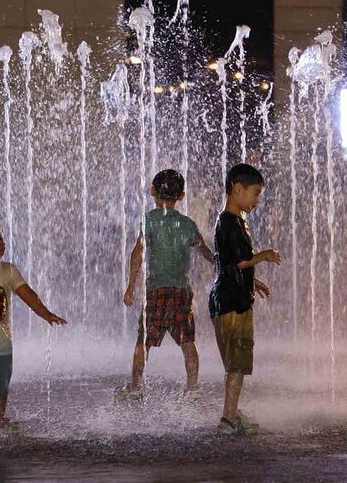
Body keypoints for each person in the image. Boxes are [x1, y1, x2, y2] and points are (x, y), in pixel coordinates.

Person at [0, 219, 67, 427]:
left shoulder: (9, 270)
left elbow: (27, 294)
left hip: (1, 343)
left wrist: (46, 313)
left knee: (0, 387)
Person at [117, 169, 214, 400]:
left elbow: (137, 252)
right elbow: (205, 251)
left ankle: (136, 387)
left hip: (156, 291)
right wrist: (221, 264)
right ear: (181, 196)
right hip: (181, 291)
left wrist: (131, 285)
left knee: (143, 341)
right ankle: (192, 389)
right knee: (188, 341)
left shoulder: (149, 220)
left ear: (153, 191)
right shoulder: (188, 225)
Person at [210, 163, 281, 436]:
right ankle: (228, 418)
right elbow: (239, 262)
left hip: (225, 298)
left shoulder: (229, 221)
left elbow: (229, 263)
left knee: (233, 364)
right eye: (255, 193)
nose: (257, 200)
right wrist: (265, 255)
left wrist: (254, 281)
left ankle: (232, 413)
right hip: (233, 303)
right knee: (237, 363)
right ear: (237, 190)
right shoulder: (230, 221)